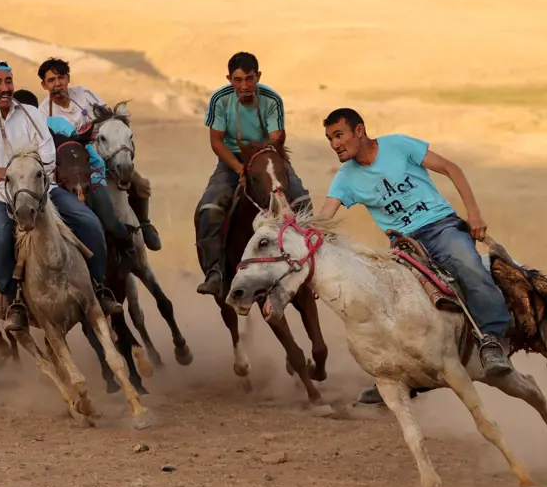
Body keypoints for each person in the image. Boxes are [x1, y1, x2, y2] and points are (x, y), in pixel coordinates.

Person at [318, 107, 513, 386]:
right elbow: (324, 217)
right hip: (404, 244)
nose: (335, 144)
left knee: (467, 264)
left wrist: (474, 214)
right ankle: (401, 373)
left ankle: (492, 340)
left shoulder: (398, 145)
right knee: (387, 298)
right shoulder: (345, 177)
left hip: (440, 226)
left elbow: (451, 168)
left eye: (339, 135)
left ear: (359, 130)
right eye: (330, 139)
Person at [0, 61, 122, 333]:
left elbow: (47, 156)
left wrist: (14, 173)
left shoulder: (32, 114)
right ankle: (14, 304)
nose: (4, 88)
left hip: (43, 191)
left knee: (89, 221)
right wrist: (8, 192)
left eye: (8, 81)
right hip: (1, 198)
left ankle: (98, 288)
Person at [196, 51, 312, 296]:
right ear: (229, 79)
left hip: (266, 155)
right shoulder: (220, 99)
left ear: (258, 76)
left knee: (301, 198)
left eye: (249, 79)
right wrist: (241, 169)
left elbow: (276, 138)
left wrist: (257, 167)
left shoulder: (271, 99)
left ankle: (312, 262)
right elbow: (216, 141)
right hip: (232, 159)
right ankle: (215, 270)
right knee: (210, 207)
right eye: (238, 80)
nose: (244, 86)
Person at [36, 57, 161, 251]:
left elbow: (107, 119)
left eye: (61, 78)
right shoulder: (44, 113)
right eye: (51, 80)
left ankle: (144, 225)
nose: (57, 84)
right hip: (77, 167)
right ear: (44, 85)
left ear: (68, 79)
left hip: (103, 153)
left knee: (140, 184)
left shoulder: (85, 95)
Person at [13, 89, 135, 255]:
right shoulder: (14, 135)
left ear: (35, 111)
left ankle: (129, 247)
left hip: (78, 181)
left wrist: (96, 177)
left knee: (105, 221)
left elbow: (85, 151)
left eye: (27, 112)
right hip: (34, 192)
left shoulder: (58, 124)